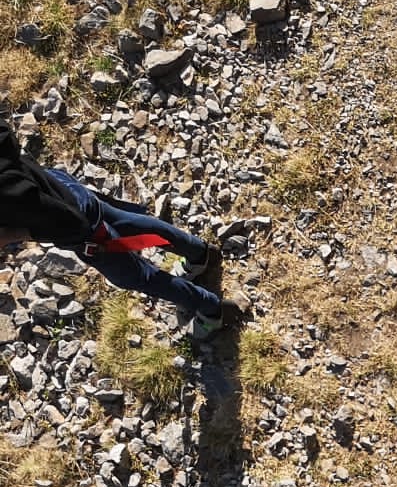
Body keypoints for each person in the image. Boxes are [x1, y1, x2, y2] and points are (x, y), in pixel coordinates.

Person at [0, 117, 243, 330]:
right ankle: (200, 253)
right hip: (61, 186)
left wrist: (11, 235)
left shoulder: (7, 193)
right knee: (126, 221)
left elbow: (66, 221)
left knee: (136, 276)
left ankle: (212, 310)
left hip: (76, 222)